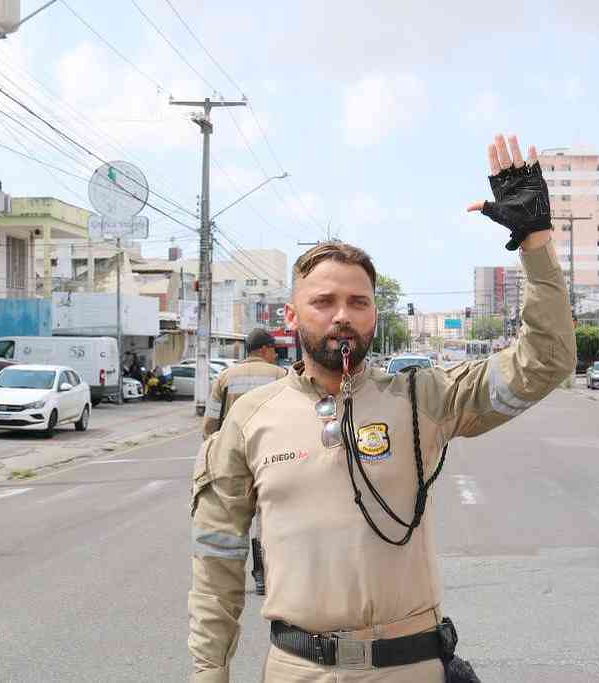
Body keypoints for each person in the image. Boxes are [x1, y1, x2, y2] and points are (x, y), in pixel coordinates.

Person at [189, 134, 576, 682]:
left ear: (374, 316)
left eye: (358, 302)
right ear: (292, 316)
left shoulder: (424, 399)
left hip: (411, 667)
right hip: (298, 671)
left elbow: (547, 362)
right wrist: (209, 673)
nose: (341, 315)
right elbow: (217, 559)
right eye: (323, 302)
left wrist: (534, 240)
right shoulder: (250, 421)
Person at [201, 327, 288, 596]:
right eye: (274, 350)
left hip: (233, 457)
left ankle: (224, 582)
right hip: (271, 456)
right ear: (264, 350)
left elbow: (210, 423)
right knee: (266, 518)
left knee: (231, 520)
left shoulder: (225, 377)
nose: (275, 355)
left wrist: (215, 449)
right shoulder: (281, 376)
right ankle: (262, 576)